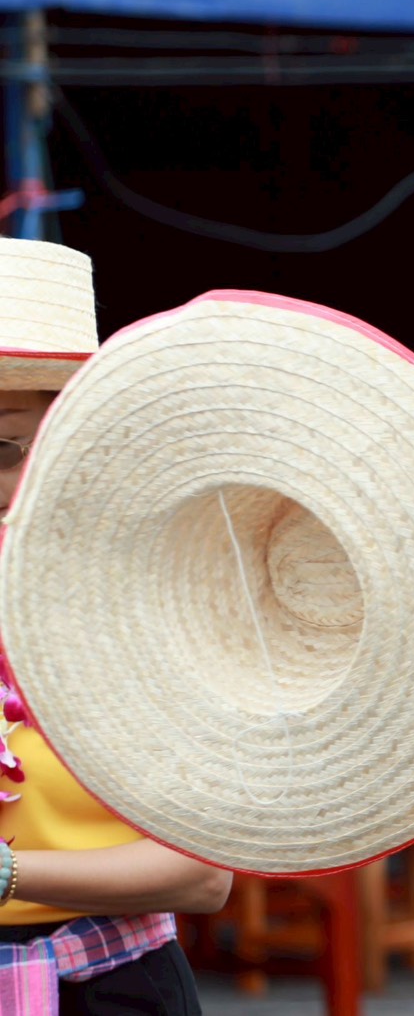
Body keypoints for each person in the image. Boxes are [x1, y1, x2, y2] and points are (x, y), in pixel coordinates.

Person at [0, 238, 233, 1013]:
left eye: (6, 446)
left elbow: (203, 872)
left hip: (114, 991)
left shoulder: (152, 602)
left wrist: (9, 873)